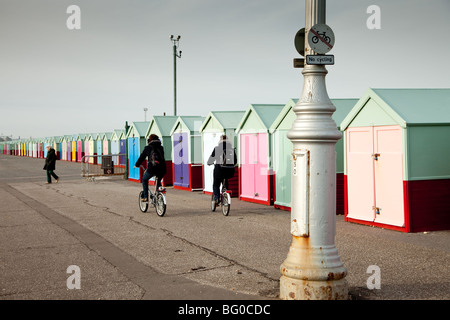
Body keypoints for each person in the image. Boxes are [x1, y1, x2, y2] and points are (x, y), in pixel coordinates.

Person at [135, 134, 166, 202]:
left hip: (152, 168)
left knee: (144, 179)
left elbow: (142, 157)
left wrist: (137, 164)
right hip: (162, 169)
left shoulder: (148, 148)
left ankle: (146, 197)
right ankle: (159, 195)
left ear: (149, 140)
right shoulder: (161, 147)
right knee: (158, 181)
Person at [207, 135, 237, 204]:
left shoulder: (217, 148)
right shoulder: (231, 149)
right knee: (225, 179)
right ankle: (226, 192)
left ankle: (217, 197)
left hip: (219, 170)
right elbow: (235, 161)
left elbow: (211, 159)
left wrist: (209, 163)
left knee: (216, 184)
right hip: (230, 171)